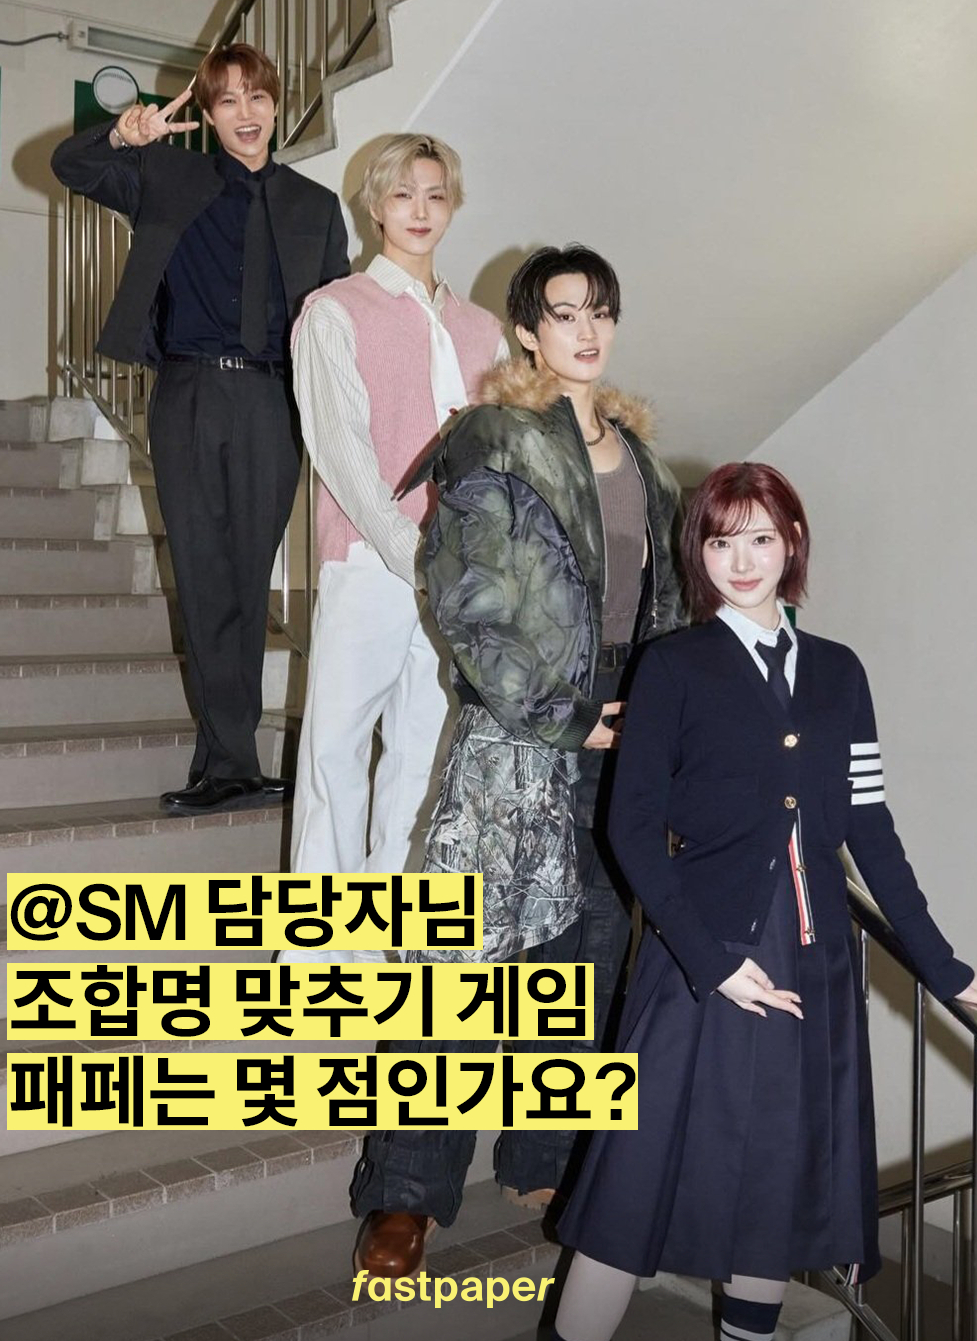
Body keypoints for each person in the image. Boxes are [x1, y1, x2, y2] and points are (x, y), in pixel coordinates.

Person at [553, 462, 977, 1341]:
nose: (743, 561)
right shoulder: (672, 666)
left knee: (772, 1198)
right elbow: (630, 831)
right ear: (699, 552)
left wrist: (947, 969)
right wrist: (714, 964)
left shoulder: (840, 673)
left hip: (812, 968)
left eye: (760, 538)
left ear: (792, 542)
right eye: (722, 542)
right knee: (628, 1195)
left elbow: (870, 831)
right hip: (698, 965)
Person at [349, 245, 684, 1277]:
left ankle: (544, 1152)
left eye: (601, 312)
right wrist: (565, 714)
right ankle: (407, 1193)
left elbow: (666, 603)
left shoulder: (643, 458)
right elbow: (467, 598)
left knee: (586, 953)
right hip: (522, 728)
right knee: (460, 964)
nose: (586, 330)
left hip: (624, 731)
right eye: (565, 313)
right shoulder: (493, 438)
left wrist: (667, 719)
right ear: (528, 330)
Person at [51, 45, 349, 812]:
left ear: (276, 106)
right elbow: (70, 166)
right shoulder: (168, 175)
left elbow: (338, 324)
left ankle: (234, 760)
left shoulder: (316, 206)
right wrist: (121, 136)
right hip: (187, 391)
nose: (246, 114)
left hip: (272, 403)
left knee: (249, 579)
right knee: (204, 573)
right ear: (210, 115)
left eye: (257, 98)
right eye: (228, 101)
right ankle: (226, 762)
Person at [281, 134, 506, 965]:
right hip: (370, 564)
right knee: (335, 752)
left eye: (435, 194)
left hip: (460, 577)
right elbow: (341, 455)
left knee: (423, 754)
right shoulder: (333, 311)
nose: (420, 210)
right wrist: (416, 555)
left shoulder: (484, 331)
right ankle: (316, 957)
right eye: (403, 193)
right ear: (374, 205)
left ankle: (389, 947)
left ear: (453, 207)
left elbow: (502, 456)